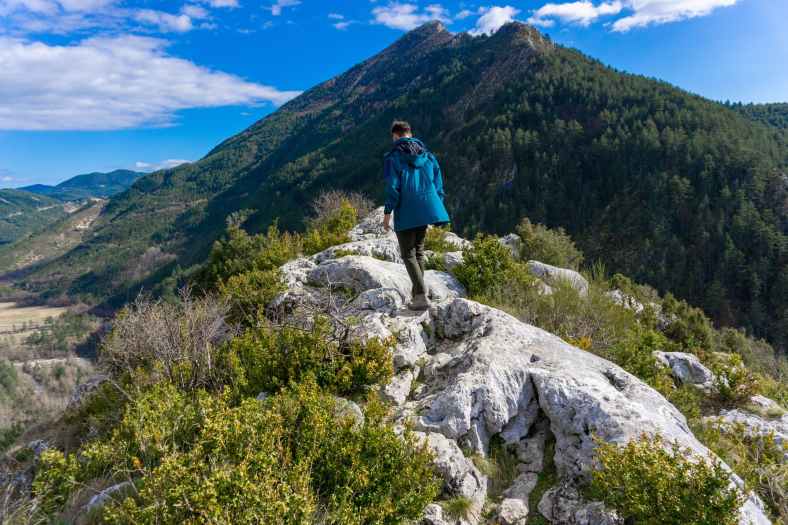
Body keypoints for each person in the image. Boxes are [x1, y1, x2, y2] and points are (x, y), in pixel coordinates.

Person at [383, 120, 450, 311]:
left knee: (407, 253)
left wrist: (387, 213)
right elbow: (438, 185)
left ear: (395, 136)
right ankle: (419, 293)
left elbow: (393, 188)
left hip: (406, 208)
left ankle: (420, 296)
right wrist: (436, 205)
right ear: (410, 134)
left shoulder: (392, 158)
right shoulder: (428, 155)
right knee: (418, 251)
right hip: (426, 207)